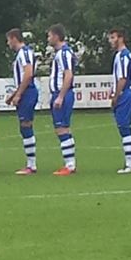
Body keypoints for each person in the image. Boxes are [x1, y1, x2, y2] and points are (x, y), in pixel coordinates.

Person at [5, 29, 39, 174]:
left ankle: (31, 165)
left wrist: (18, 94)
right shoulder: (22, 53)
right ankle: (30, 164)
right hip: (25, 91)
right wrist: (13, 94)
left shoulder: (24, 53)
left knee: (26, 125)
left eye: (8, 40)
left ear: (14, 38)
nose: (8, 43)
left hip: (28, 92)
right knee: (24, 126)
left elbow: (28, 74)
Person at [48, 24, 78, 176]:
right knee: (62, 128)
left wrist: (60, 96)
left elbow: (68, 74)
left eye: (49, 36)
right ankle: (70, 163)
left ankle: (70, 165)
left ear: (56, 36)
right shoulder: (63, 53)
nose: (48, 39)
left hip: (62, 94)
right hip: (61, 94)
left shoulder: (63, 53)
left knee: (62, 128)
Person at [108, 28, 131, 174]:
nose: (110, 41)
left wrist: (116, 96)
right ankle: (130, 162)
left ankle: (130, 164)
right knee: (123, 127)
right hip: (124, 93)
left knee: (125, 126)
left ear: (120, 38)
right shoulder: (121, 55)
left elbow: (122, 78)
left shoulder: (123, 56)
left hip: (125, 94)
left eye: (113, 38)